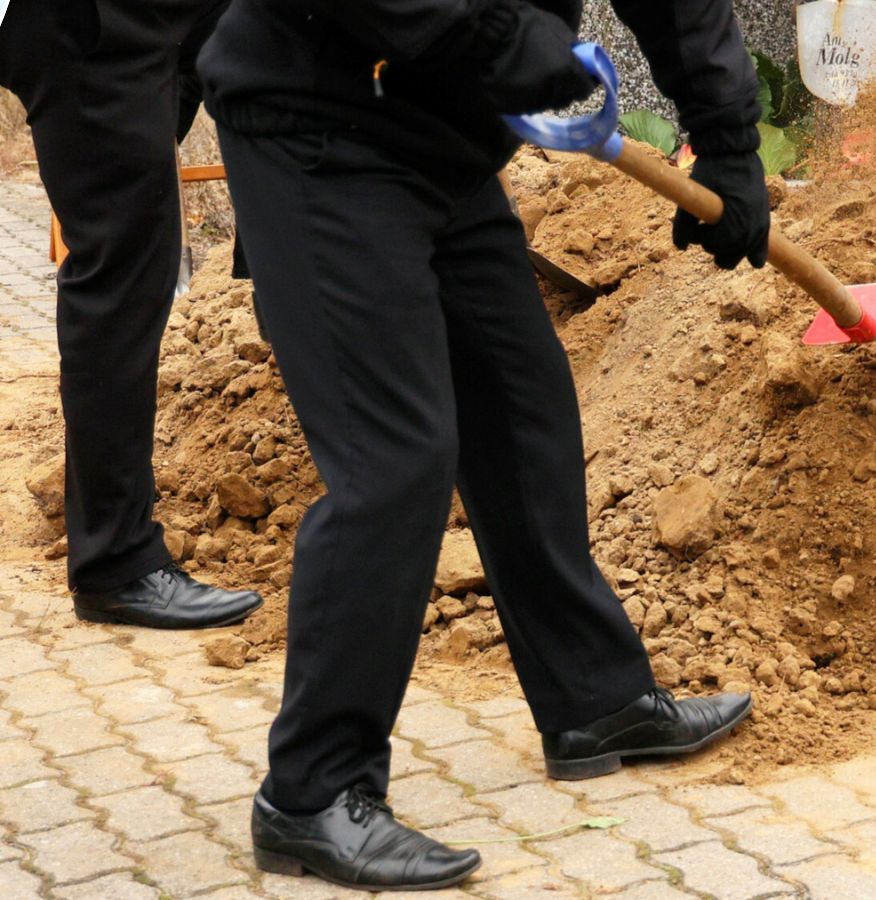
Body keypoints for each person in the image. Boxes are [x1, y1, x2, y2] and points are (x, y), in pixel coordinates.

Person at [199, 0, 769, 890]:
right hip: (319, 129)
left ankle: (596, 703)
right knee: (394, 458)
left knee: (522, 410)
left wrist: (727, 137)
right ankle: (311, 791)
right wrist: (506, 40)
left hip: (446, 138)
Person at [0, 0, 263, 629]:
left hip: (173, 14)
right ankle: (115, 565)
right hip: (90, 26)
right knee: (124, 269)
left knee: (271, 74)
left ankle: (280, 283)